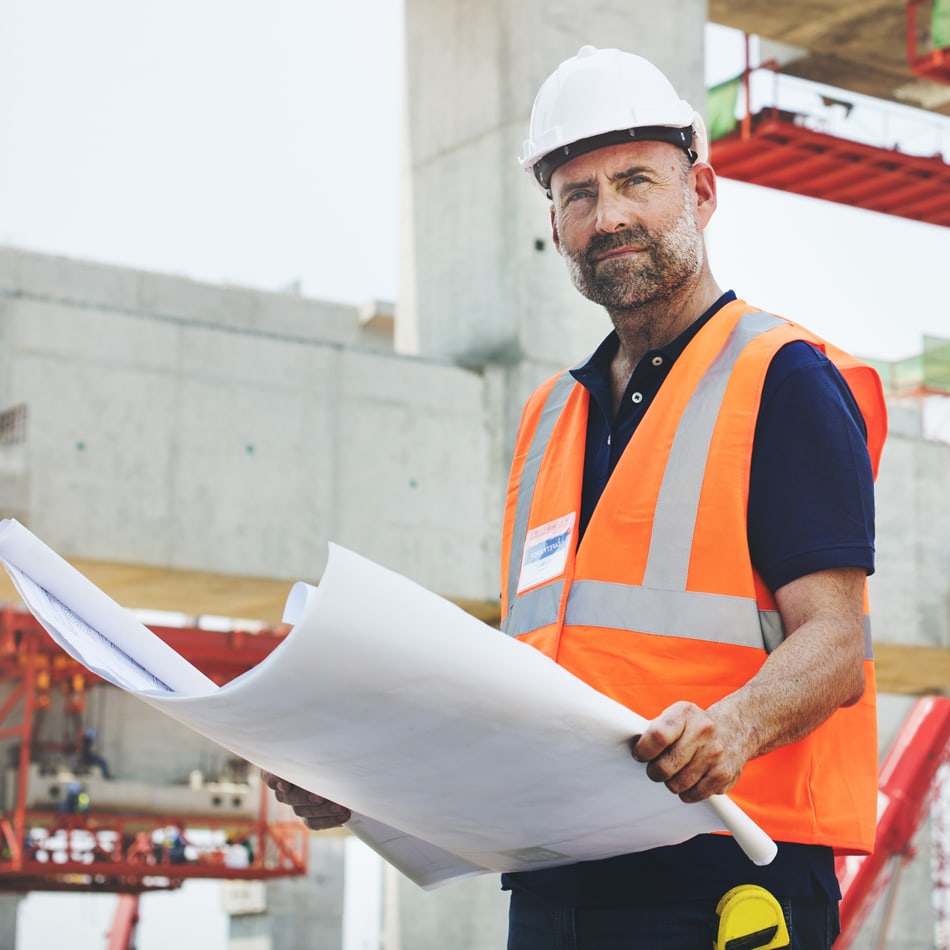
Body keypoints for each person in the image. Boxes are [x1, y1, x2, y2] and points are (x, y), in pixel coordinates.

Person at [265, 45, 887, 949]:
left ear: (702, 193)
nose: (609, 217)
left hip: (726, 883)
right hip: (556, 890)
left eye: (637, 180)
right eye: (578, 195)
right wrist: (364, 784)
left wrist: (734, 727)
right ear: (555, 228)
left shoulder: (781, 378)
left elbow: (836, 640)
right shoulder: (551, 416)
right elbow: (536, 684)